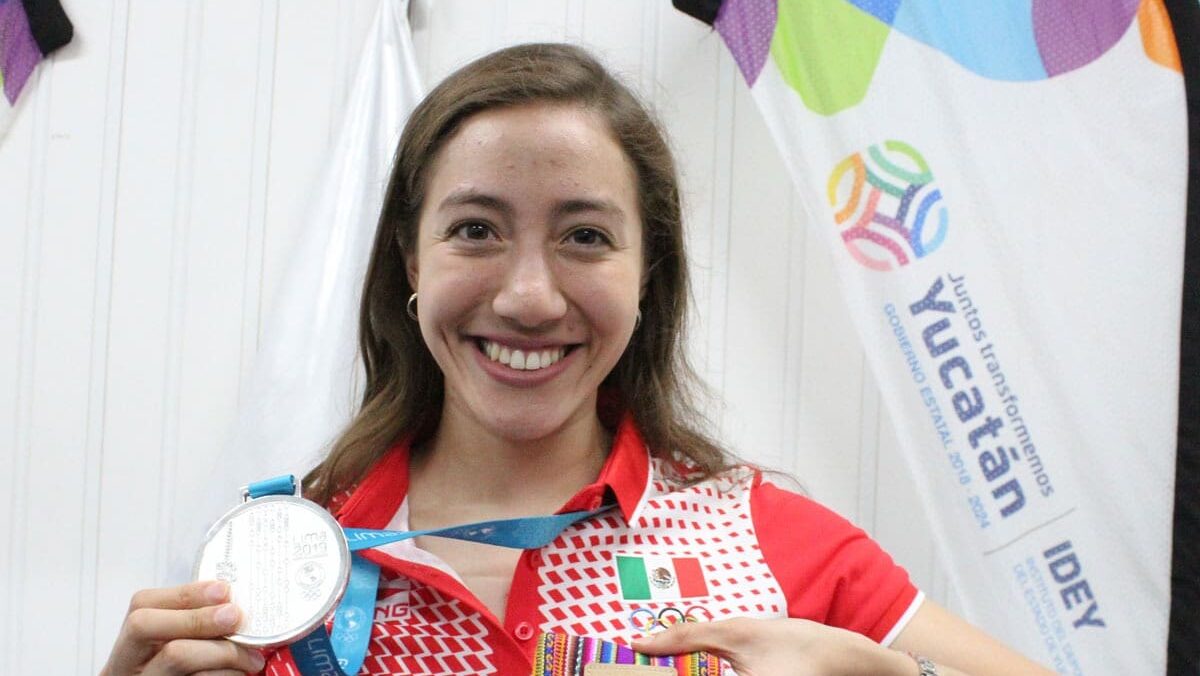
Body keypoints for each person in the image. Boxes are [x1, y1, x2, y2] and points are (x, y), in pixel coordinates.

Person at [101, 43, 1054, 676]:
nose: (529, 296)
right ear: (411, 261)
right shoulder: (282, 573)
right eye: (476, 229)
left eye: (585, 237)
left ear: (648, 276)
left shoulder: (769, 542)